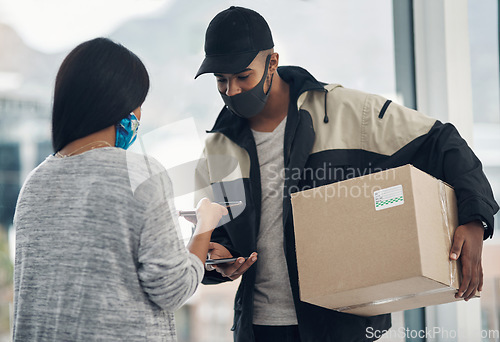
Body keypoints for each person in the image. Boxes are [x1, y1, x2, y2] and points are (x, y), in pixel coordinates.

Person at [193, 6, 499, 342]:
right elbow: (214, 238)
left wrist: (475, 219)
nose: (231, 91)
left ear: (272, 63)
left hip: (339, 327)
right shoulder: (217, 148)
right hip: (258, 329)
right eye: (221, 80)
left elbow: (442, 142)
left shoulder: (348, 113)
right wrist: (216, 259)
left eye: (242, 77)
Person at [12, 37, 228, 341]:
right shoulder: (141, 173)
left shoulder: (34, 184)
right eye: (139, 103)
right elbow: (173, 289)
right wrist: (205, 225)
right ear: (120, 103)